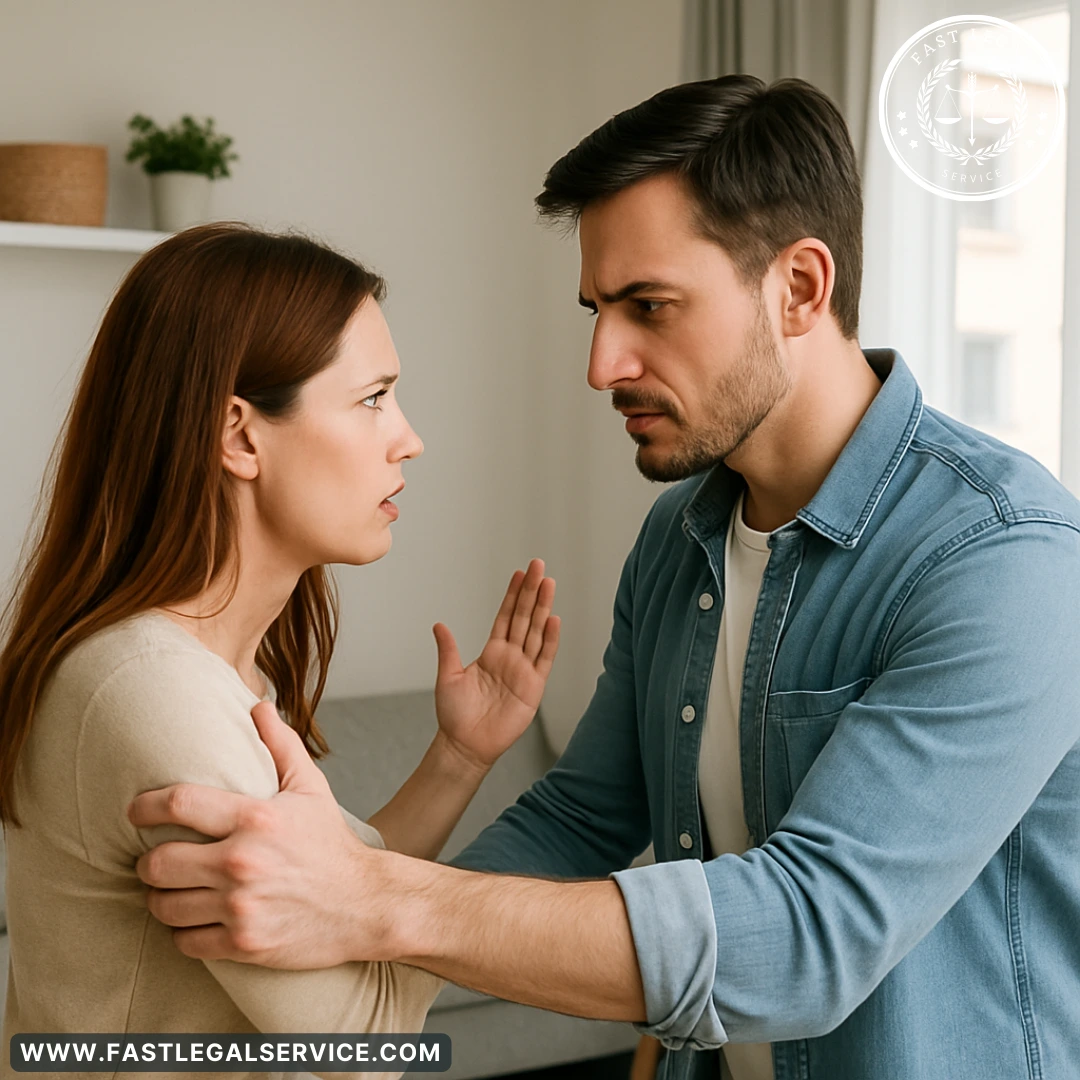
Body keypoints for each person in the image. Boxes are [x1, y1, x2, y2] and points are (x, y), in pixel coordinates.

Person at [128, 75, 1080, 1080]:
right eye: (598, 308)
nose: (602, 362)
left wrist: (371, 899)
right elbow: (585, 815)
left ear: (800, 287)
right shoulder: (680, 537)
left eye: (649, 307)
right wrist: (338, 931)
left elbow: (811, 933)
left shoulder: (1008, 556)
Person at [0, 223, 560, 1080]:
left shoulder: (204, 671)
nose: (409, 438)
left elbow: (342, 893)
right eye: (374, 398)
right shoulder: (153, 695)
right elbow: (360, 1046)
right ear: (240, 435)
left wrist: (458, 755)